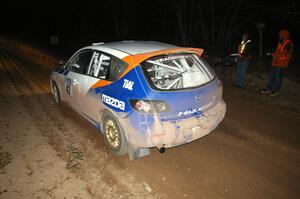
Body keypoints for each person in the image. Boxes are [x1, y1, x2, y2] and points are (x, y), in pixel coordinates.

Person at [261, 29, 293, 96]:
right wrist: (272, 53)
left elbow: (283, 54)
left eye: (280, 35)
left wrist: (273, 54)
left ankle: (276, 91)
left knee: (278, 78)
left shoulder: (288, 44)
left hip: (281, 64)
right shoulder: (281, 42)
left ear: (284, 35)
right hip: (276, 62)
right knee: (272, 76)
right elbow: (278, 52)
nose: (279, 36)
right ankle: (268, 89)